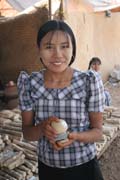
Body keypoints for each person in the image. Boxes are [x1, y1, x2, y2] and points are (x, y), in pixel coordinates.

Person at [17, 20, 105, 180]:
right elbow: (28, 133)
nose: (57, 54)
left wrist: (75, 136)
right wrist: (42, 128)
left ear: (73, 49)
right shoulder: (30, 83)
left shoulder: (88, 81)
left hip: (84, 168)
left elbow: (98, 132)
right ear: (39, 50)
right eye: (49, 47)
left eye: (64, 46)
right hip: (49, 170)